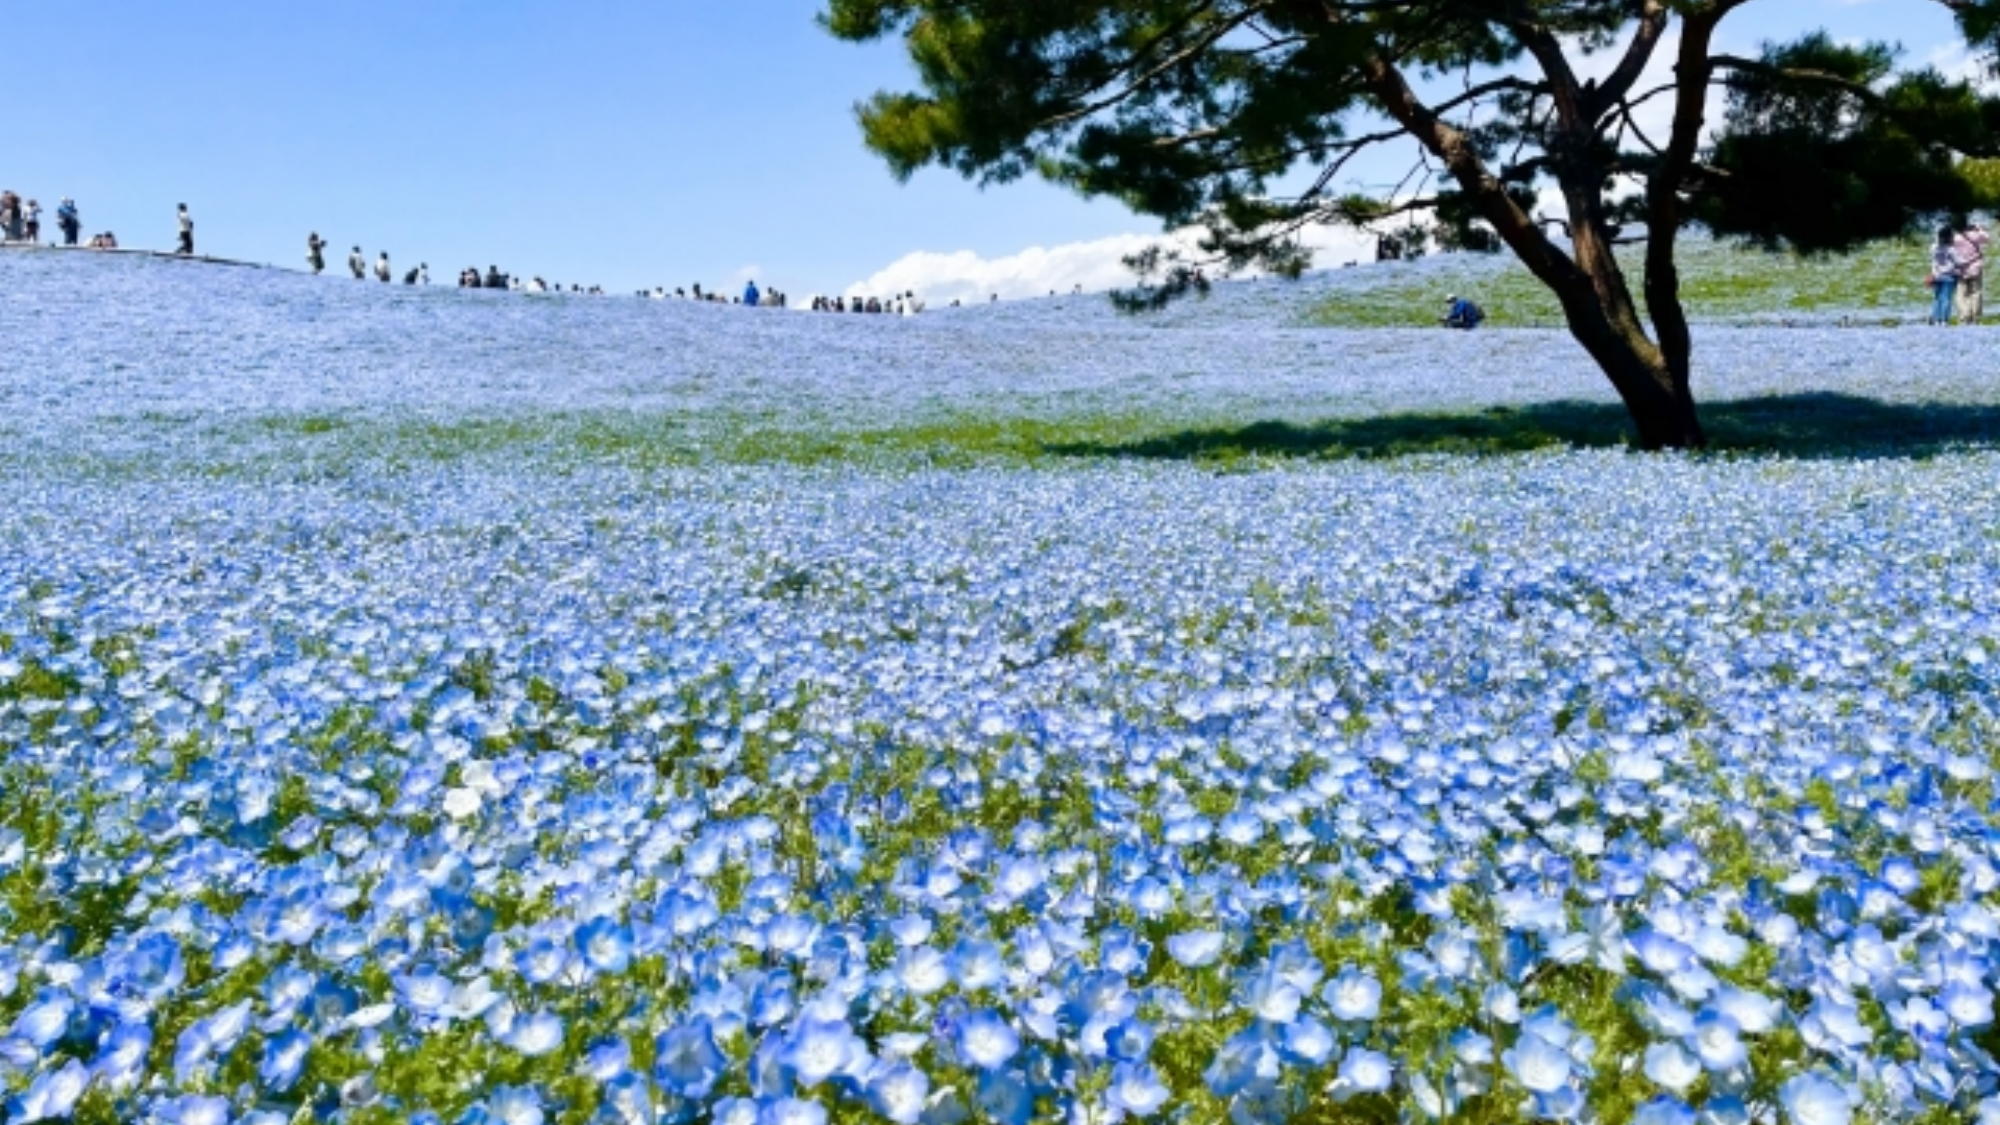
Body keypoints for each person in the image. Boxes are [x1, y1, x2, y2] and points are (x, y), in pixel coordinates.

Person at [1954, 222, 1989, 325]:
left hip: (1960, 269)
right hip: (1975, 268)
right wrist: (1980, 229)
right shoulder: (1976, 236)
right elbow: (1987, 238)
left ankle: (1964, 315)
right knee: (1976, 292)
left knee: (1961, 294)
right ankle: (1975, 317)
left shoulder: (1956, 238)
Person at [1929, 226, 1960, 325]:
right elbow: (1958, 262)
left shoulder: (1933, 247)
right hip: (1949, 276)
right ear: (1949, 236)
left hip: (1936, 275)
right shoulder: (1951, 249)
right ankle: (1944, 319)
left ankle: (1935, 318)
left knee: (1937, 298)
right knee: (1946, 298)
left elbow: (1933, 260)